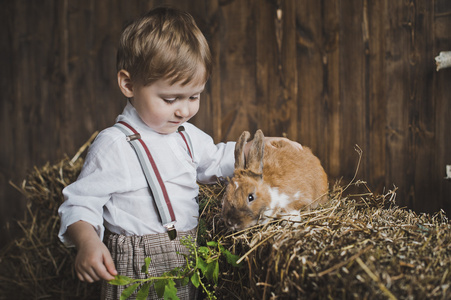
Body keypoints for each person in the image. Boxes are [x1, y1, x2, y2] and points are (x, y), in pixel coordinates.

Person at [58, 6, 299, 300]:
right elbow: (80, 204)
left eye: (194, 97)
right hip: (138, 269)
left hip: (187, 256)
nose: (184, 110)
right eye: (170, 98)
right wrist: (88, 243)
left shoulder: (187, 135)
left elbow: (218, 159)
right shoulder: (114, 145)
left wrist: (258, 147)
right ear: (129, 84)